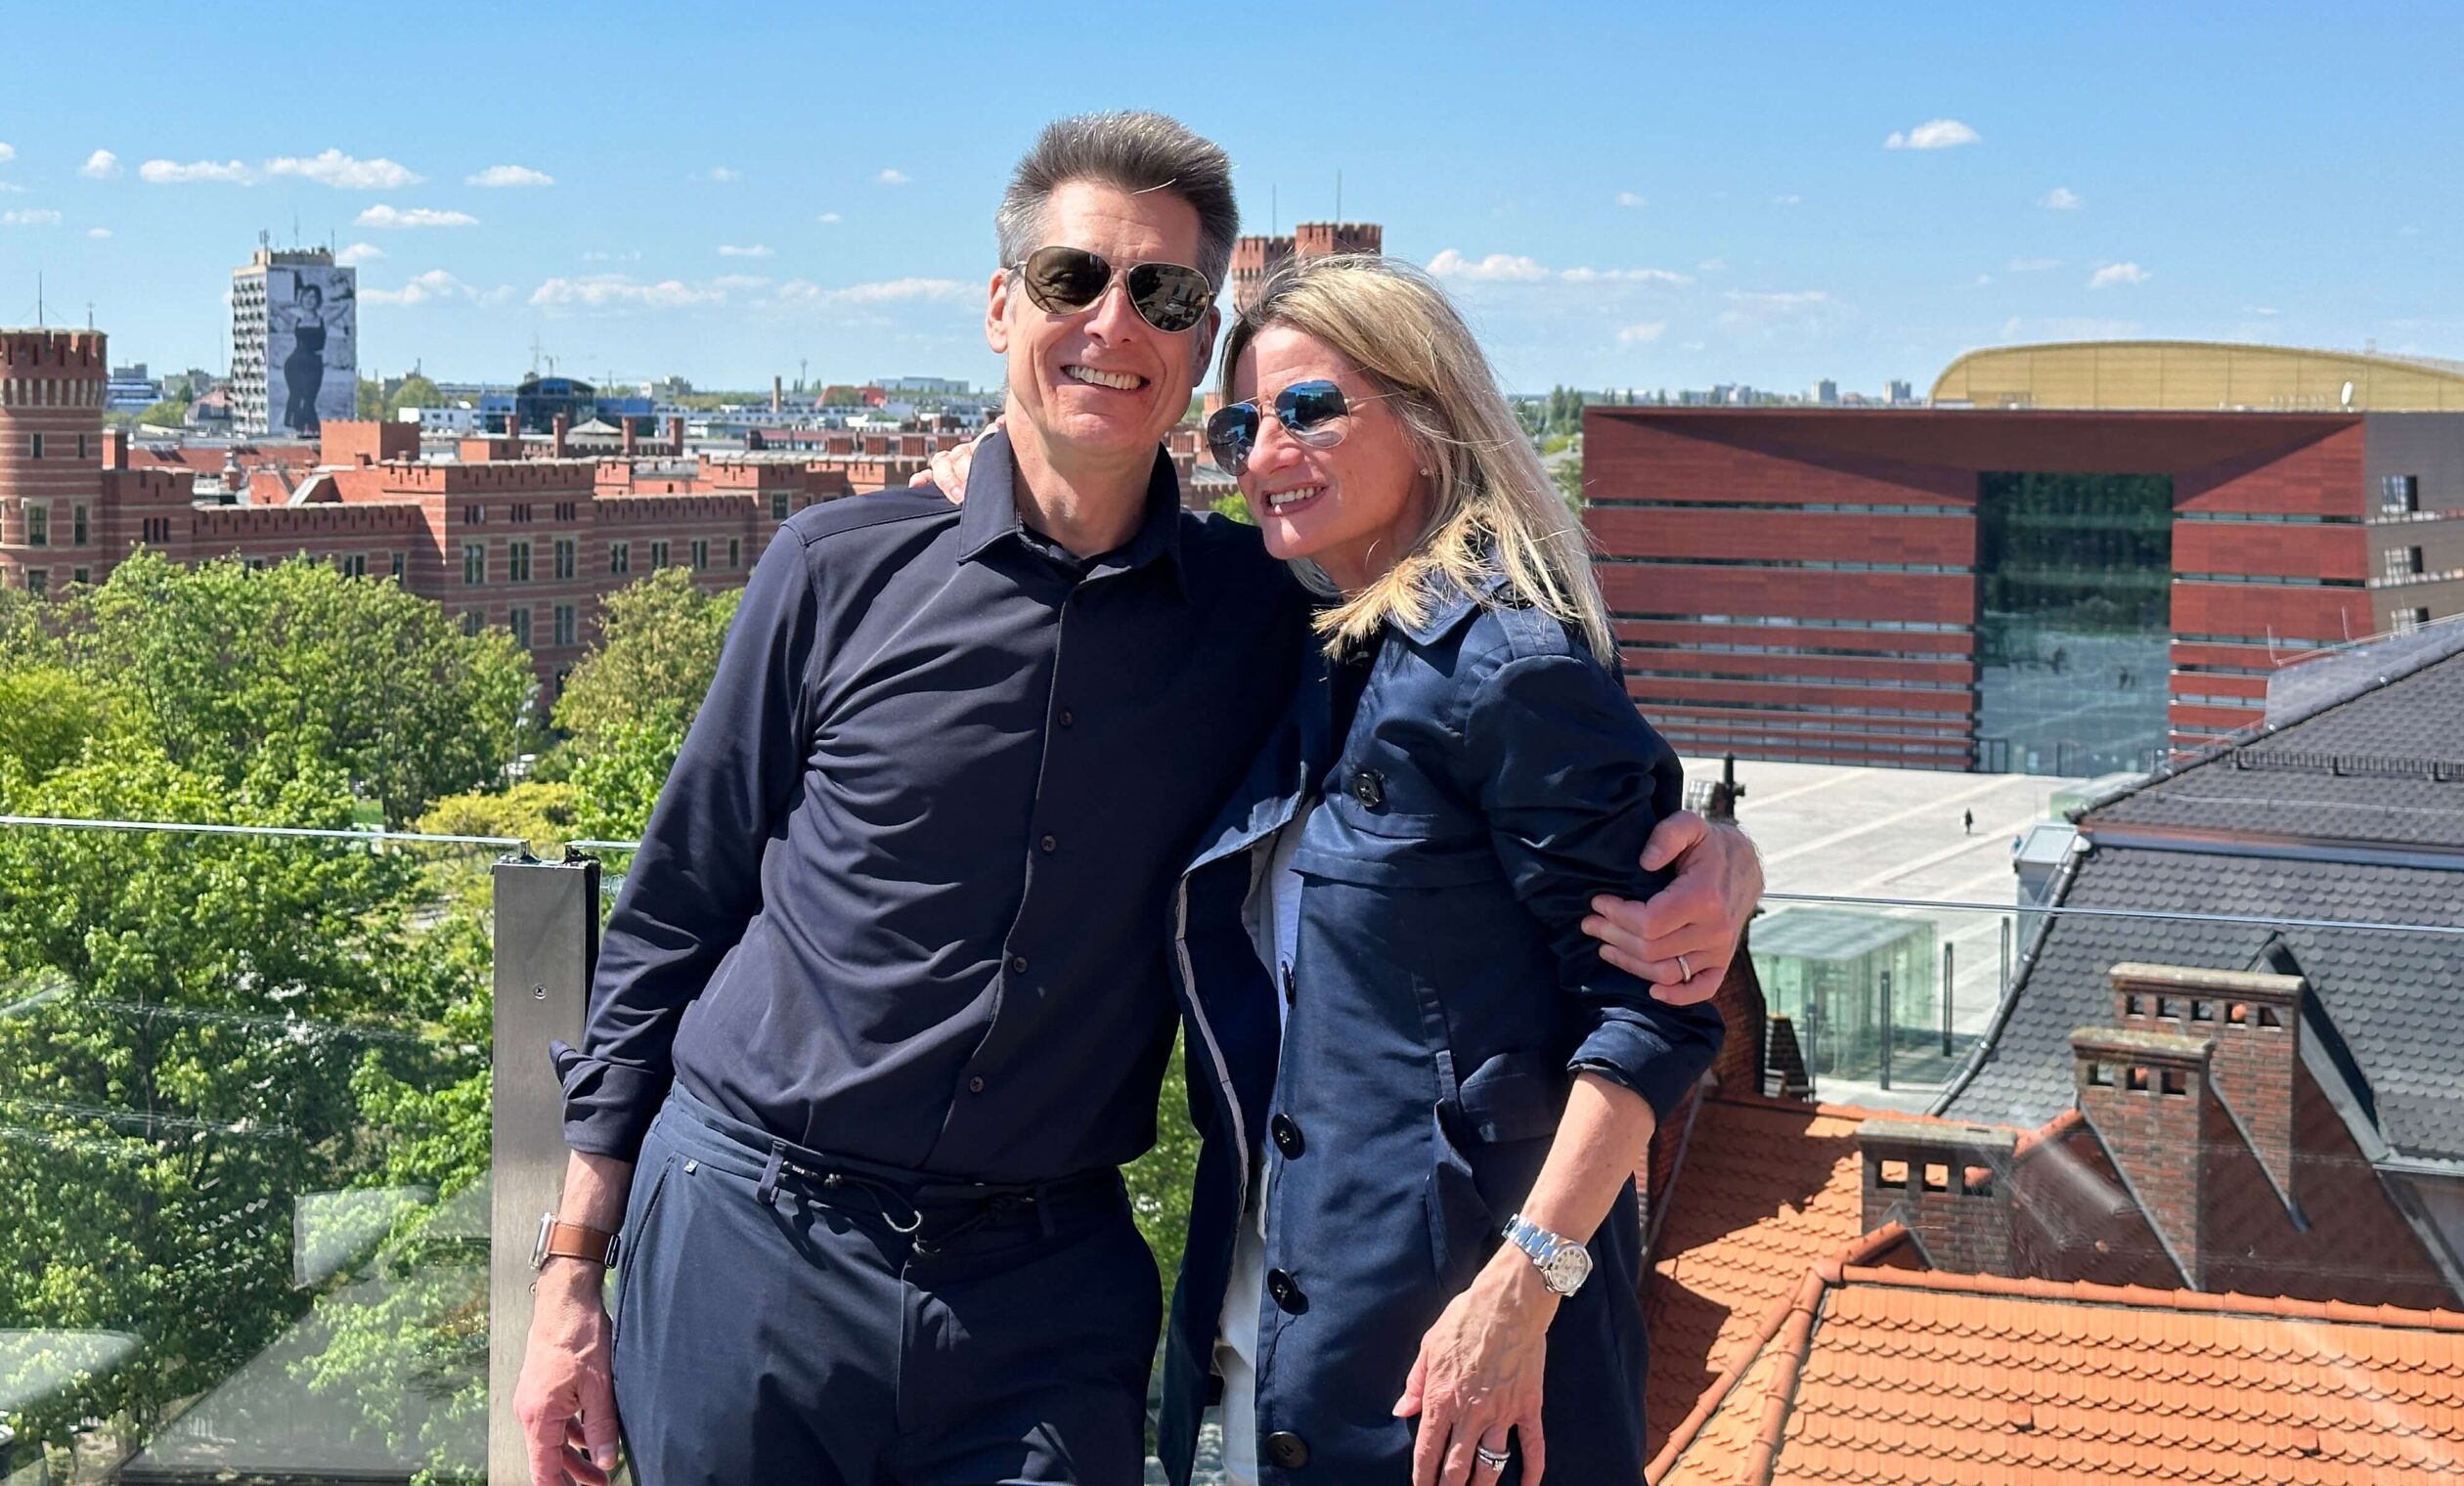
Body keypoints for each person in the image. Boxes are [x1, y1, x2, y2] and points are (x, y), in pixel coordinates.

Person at [513, 111, 1762, 1486]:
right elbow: (673, 917)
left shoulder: (1263, 611)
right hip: (751, 1235)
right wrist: (570, 1267)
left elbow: (1528, 727)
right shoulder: (837, 570)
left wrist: (1721, 854)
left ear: (1193, 337)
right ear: (1002, 307)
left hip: (1041, 1300)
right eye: (1072, 279)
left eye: (1162, 295)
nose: (1113, 322)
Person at [1157, 257, 1718, 1486]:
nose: (1264, 454)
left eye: (1309, 410)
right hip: (1280, 1353)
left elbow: (1655, 1012)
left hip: (1460, 1378)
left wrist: (1522, 1291)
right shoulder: (1314, 641)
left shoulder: (1507, 666)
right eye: (1239, 426)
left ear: (1426, 417)